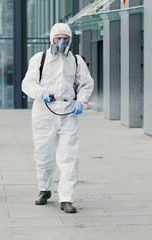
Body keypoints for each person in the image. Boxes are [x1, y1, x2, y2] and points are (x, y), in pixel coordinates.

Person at [21, 23, 94, 214]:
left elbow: (86, 84)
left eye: (65, 39)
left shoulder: (76, 61)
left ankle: (66, 198)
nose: (61, 42)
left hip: (68, 113)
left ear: (70, 40)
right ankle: (44, 189)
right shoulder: (40, 58)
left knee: (69, 156)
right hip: (44, 113)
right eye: (58, 38)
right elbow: (27, 84)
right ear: (51, 38)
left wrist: (81, 101)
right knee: (43, 154)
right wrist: (42, 93)